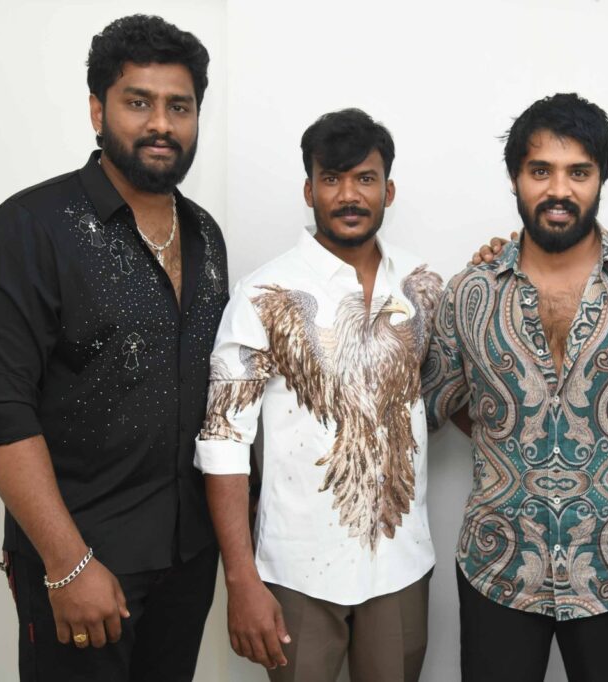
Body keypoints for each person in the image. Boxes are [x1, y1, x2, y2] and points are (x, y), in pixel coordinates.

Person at [0, 15, 226, 681]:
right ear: (97, 111)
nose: (161, 124)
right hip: (83, 559)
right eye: (139, 102)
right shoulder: (28, 230)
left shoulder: (204, 234)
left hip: (187, 557)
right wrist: (65, 562)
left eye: (179, 106)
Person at [422, 93, 608, 682]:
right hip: (498, 566)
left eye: (579, 172)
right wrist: (509, 432)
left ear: (601, 178)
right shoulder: (471, 291)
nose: (559, 190)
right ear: (514, 178)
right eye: (540, 171)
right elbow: (436, 401)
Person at [195, 109, 442, 682]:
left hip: (401, 563)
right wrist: (240, 579)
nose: (348, 195)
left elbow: (443, 391)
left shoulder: (424, 286)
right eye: (331, 179)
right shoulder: (264, 292)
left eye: (365, 178)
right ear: (309, 191)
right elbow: (224, 442)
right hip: (296, 571)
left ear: (388, 190)